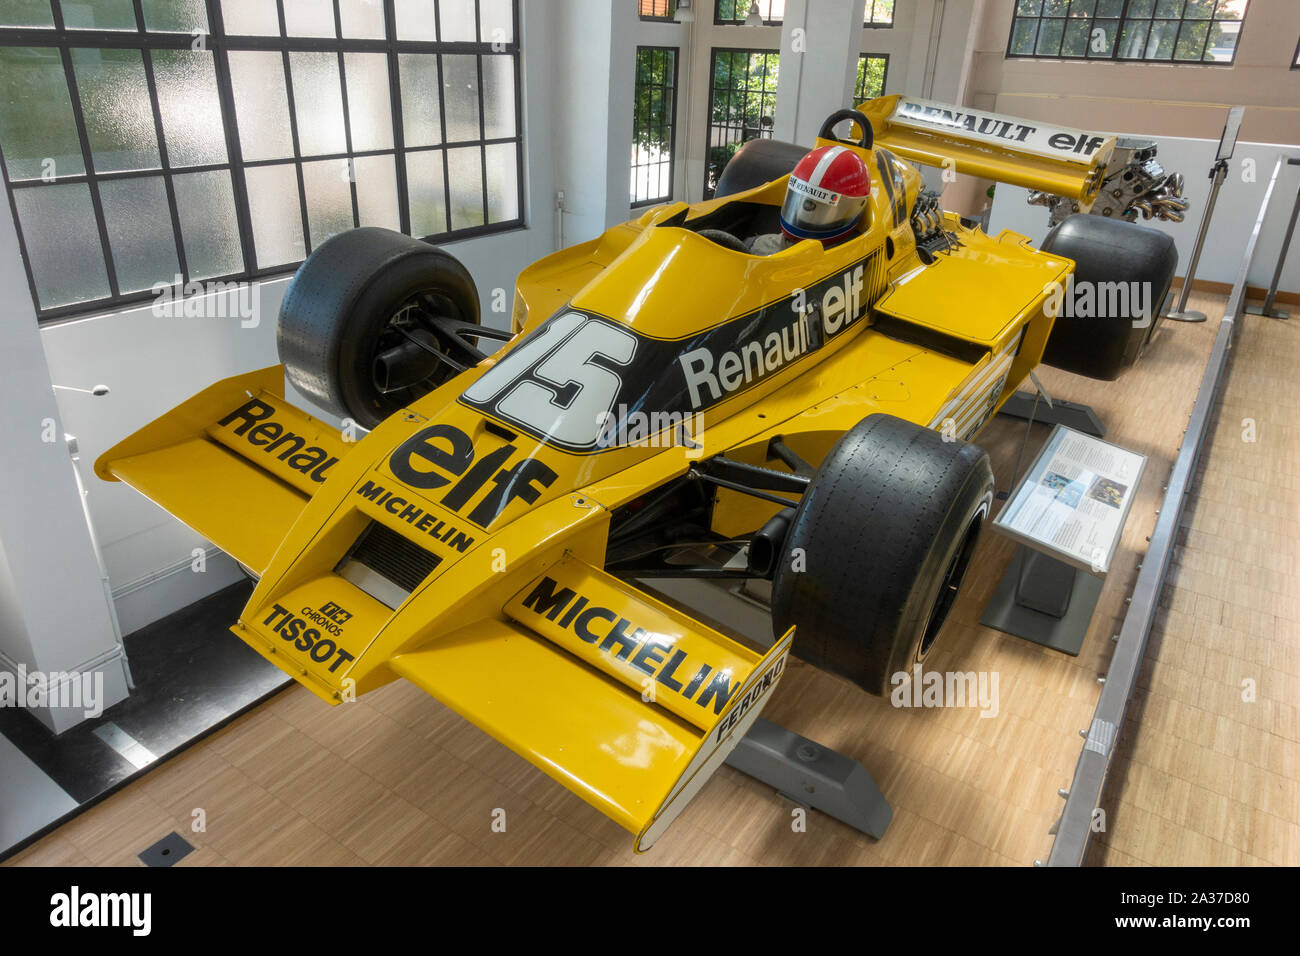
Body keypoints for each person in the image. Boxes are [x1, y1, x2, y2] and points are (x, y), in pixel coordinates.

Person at [747, 144, 872, 256]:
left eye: (821, 208)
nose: (805, 214)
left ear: (858, 206)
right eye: (801, 200)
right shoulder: (755, 246)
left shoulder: (757, 247)